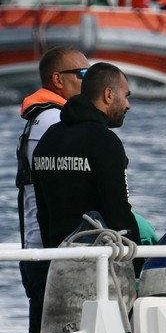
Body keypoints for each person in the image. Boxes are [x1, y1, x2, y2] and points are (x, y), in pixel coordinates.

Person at [13, 47, 90, 333]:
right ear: (58, 80)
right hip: (47, 254)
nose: (88, 80)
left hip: (44, 249)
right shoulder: (51, 120)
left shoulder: (44, 118)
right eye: (81, 73)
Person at [31, 62, 138, 254]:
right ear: (108, 95)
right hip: (97, 265)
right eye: (125, 96)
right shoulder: (105, 141)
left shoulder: (48, 139)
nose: (128, 105)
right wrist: (138, 266)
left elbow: (43, 213)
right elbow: (118, 212)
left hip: (56, 263)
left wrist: (51, 259)